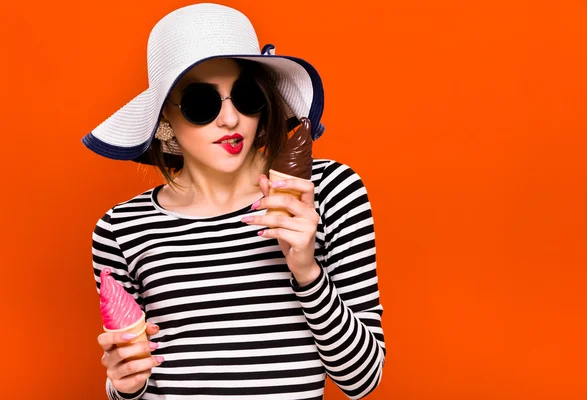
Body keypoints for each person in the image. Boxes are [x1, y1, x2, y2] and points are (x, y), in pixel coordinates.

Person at [84, 3, 386, 399]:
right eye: (201, 104)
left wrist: (307, 269)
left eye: (245, 96)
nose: (230, 119)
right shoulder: (120, 229)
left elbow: (361, 380)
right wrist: (123, 385)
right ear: (164, 119)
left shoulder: (327, 191)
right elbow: (132, 379)